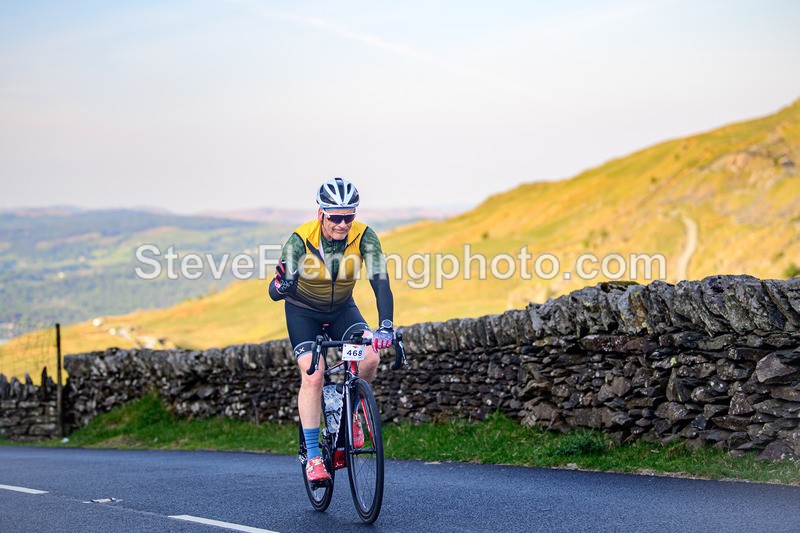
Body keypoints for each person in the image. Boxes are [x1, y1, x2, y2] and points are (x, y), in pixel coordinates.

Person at [268, 177, 395, 483]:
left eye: (348, 217)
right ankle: (313, 457)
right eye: (335, 217)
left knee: (370, 357)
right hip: (303, 312)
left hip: (341, 309)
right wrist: (282, 285)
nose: (342, 224)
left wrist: (386, 326)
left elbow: (380, 280)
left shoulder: (364, 236)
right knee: (314, 374)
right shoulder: (301, 239)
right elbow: (274, 290)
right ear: (321, 214)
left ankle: (352, 415)